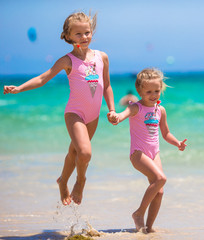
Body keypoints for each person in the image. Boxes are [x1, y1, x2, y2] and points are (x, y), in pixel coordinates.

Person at [3, 11, 117, 205]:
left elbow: (106, 85)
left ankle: (62, 181)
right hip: (75, 113)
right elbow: (42, 78)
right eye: (79, 34)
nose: (84, 37)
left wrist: (112, 109)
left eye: (87, 32)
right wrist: (19, 88)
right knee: (85, 153)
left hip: (93, 115)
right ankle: (80, 181)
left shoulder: (102, 57)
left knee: (75, 152)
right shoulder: (67, 60)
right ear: (68, 36)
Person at [108, 68, 187, 233]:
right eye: (149, 91)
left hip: (154, 153)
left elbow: (165, 133)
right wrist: (115, 117)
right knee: (160, 178)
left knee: (159, 191)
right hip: (138, 153)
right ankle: (138, 213)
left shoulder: (160, 110)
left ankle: (148, 229)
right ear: (139, 91)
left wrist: (177, 142)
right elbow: (122, 115)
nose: (153, 94)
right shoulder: (136, 108)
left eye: (157, 91)